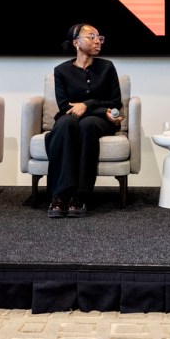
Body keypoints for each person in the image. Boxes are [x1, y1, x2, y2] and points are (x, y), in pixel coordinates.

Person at [44, 23, 123, 218]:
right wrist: (97, 107)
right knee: (66, 123)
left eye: (99, 37)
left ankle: (80, 195)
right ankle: (60, 195)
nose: (98, 41)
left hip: (99, 121)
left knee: (87, 125)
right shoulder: (61, 70)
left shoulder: (107, 67)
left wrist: (87, 105)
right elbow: (64, 106)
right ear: (76, 43)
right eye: (91, 37)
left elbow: (115, 102)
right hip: (74, 117)